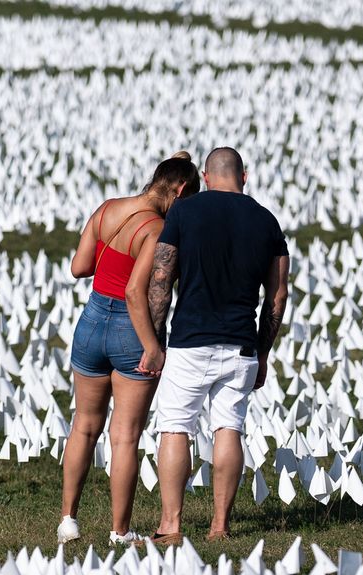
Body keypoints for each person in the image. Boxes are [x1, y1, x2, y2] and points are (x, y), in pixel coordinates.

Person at [139, 146, 290, 544]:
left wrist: (155, 342)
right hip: (240, 344)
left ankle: (170, 526)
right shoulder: (267, 222)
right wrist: (262, 352)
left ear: (205, 178)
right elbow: (277, 297)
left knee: (174, 428)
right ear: (245, 176)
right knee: (229, 428)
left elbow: (160, 280)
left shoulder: (184, 213)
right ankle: (219, 527)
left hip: (190, 341)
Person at [57, 153, 201, 544]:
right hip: (128, 328)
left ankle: (68, 519)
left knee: (83, 425)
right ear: (180, 190)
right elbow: (136, 292)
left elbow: (78, 267)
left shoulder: (106, 210)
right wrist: (153, 346)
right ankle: (119, 531)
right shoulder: (155, 229)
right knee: (124, 436)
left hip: (89, 323)